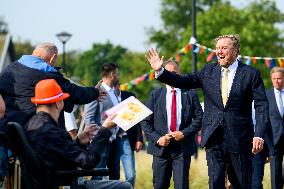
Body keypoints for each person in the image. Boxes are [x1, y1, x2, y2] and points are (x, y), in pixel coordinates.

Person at [145, 34, 269, 189]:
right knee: (215, 183)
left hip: (240, 139)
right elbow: (183, 81)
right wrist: (161, 72)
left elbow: (262, 106)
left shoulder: (251, 74)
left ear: (236, 50)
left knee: (241, 183)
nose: (219, 52)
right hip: (214, 138)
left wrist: (259, 134)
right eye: (217, 48)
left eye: (224, 48)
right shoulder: (208, 71)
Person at [24, 78, 132, 189]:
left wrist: (79, 141)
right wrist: (104, 129)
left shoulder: (32, 125)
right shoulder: (51, 130)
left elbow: (62, 156)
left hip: (54, 181)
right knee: (125, 186)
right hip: (64, 183)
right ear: (58, 103)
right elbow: (88, 162)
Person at [0, 42, 105, 132]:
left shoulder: (8, 70)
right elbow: (73, 92)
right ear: (53, 58)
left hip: (10, 129)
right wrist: (94, 92)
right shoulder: (47, 73)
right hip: (38, 129)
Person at [141, 59, 203, 189]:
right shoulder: (155, 95)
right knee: (160, 185)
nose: (171, 76)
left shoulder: (190, 93)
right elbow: (145, 122)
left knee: (181, 186)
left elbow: (200, 119)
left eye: (174, 73)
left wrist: (184, 133)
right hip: (160, 149)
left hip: (182, 148)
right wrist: (158, 138)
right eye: (168, 73)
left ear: (179, 73)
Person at [84, 63, 121, 181]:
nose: (118, 76)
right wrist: (97, 137)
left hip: (115, 139)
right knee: (98, 175)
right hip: (101, 141)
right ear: (112, 74)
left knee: (115, 175)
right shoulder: (96, 91)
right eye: (117, 73)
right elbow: (88, 117)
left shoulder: (114, 92)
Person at [114, 82, 143, 187]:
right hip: (111, 140)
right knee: (113, 174)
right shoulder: (104, 97)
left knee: (130, 174)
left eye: (116, 85)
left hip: (126, 139)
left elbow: (137, 119)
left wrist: (139, 139)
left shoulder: (129, 97)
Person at [266, 67, 284, 189]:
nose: (276, 81)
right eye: (274, 79)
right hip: (274, 141)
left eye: (279, 78)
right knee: (275, 175)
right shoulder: (266, 95)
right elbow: (263, 120)